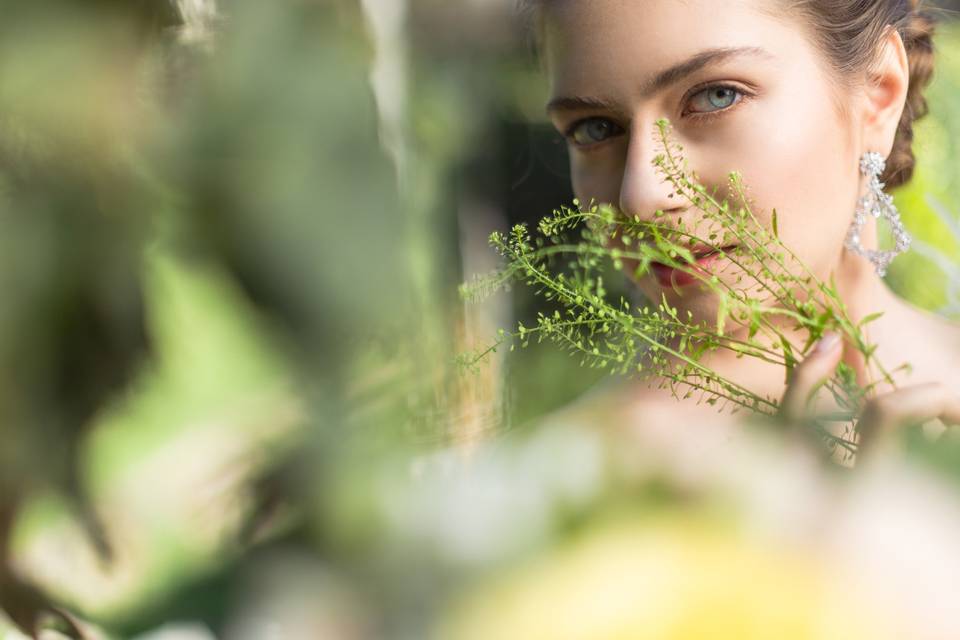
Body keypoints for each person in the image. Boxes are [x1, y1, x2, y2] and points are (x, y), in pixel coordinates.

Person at [522, 0, 960, 463]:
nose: (641, 196)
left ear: (878, 93)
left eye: (715, 96)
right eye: (595, 128)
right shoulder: (552, 489)